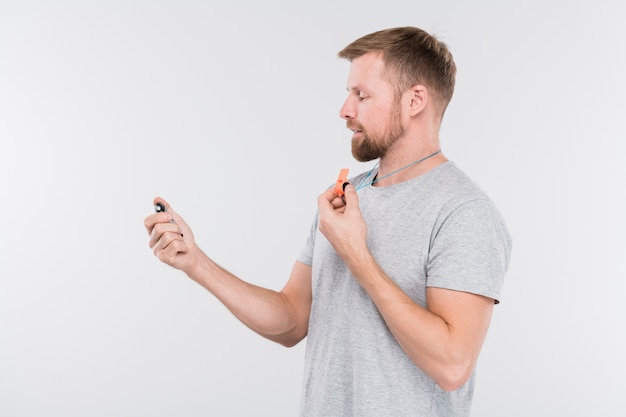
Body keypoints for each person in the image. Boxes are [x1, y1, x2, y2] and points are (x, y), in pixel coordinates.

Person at [144, 26, 512, 417]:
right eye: (348, 93)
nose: (345, 110)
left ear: (415, 100)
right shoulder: (345, 197)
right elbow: (291, 320)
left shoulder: (463, 211)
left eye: (362, 95)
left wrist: (356, 253)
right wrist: (195, 262)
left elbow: (452, 365)